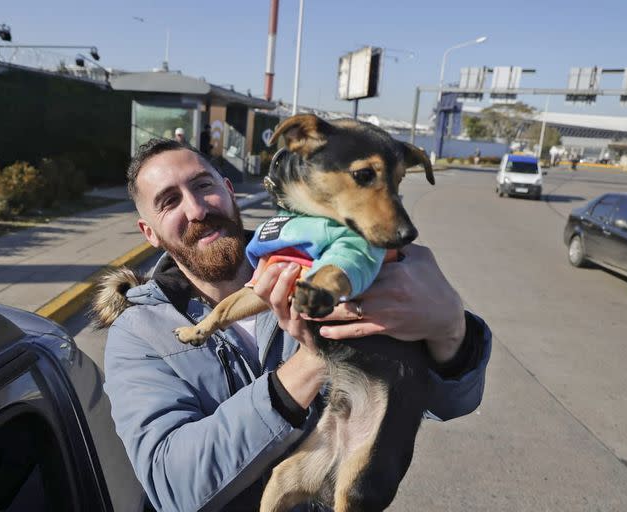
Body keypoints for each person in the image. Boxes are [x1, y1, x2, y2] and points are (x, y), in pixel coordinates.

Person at [102, 138, 492, 512]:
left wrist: (450, 330)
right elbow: (173, 488)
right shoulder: (139, 334)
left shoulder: (323, 261)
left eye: (203, 186)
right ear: (149, 232)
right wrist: (310, 362)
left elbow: (447, 404)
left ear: (229, 189)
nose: (197, 209)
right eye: (170, 202)